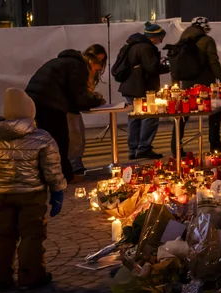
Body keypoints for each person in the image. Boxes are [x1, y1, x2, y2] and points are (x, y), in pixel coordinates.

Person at [0, 88, 67, 290]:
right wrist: (57, 191)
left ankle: (1, 277)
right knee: (32, 235)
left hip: (1, 194)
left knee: (2, 235)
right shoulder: (42, 138)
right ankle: (31, 275)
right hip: (32, 194)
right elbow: (52, 169)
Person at [24, 46, 105, 182]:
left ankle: (48, 175)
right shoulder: (78, 67)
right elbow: (79, 98)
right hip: (49, 103)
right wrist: (97, 100)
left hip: (34, 100)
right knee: (60, 140)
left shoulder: (63, 62)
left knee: (46, 140)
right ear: (91, 64)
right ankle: (64, 176)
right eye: (95, 69)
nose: (94, 73)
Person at [115, 22, 171, 160]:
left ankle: (133, 149)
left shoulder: (132, 44)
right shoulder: (145, 47)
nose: (161, 41)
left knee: (135, 118)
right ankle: (144, 148)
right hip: (142, 87)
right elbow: (152, 68)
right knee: (150, 116)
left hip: (130, 87)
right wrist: (168, 66)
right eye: (160, 38)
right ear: (153, 37)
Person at [172, 17, 221, 152]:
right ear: (204, 28)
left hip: (187, 82)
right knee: (214, 111)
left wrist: (176, 82)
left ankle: (176, 146)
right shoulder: (207, 41)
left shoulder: (182, 40)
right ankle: (215, 143)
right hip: (205, 82)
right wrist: (220, 78)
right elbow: (213, 60)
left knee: (184, 113)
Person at [67, 45, 106, 177]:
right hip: (66, 106)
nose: (99, 68)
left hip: (70, 105)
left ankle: (75, 164)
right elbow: (79, 95)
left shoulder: (81, 69)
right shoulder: (80, 70)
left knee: (78, 133)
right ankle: (74, 165)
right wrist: (95, 100)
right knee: (74, 134)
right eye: (98, 63)